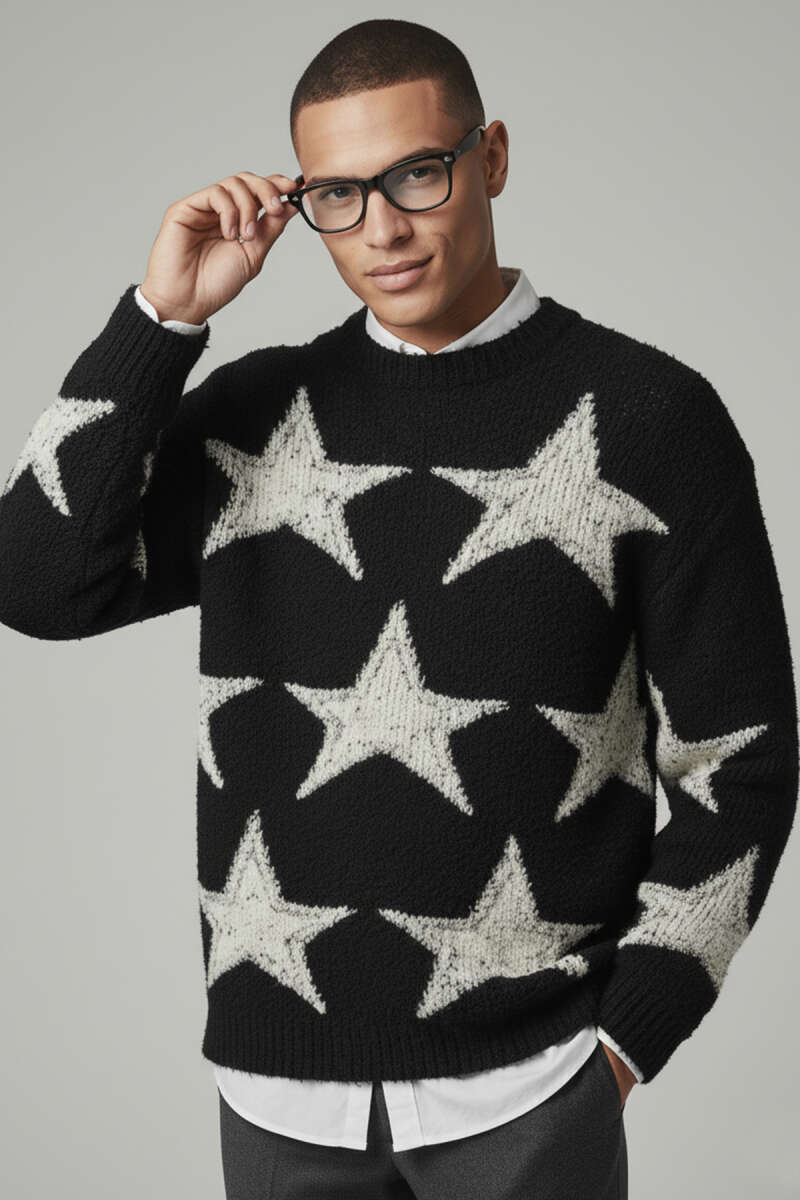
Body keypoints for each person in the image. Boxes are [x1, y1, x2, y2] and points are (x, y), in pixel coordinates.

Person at [0, 17, 796, 1200]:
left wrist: (628, 1037)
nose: (381, 228)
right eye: (336, 193)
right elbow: (36, 581)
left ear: (491, 157)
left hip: (532, 1091)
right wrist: (158, 322)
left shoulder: (649, 418)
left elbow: (742, 756)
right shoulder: (254, 414)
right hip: (275, 1093)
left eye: (416, 173)